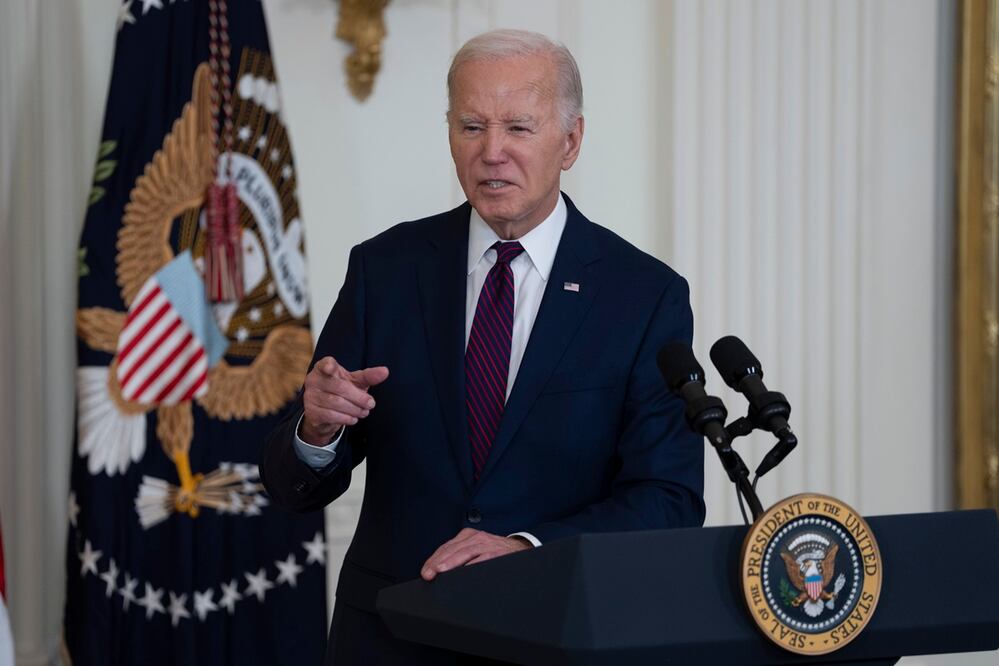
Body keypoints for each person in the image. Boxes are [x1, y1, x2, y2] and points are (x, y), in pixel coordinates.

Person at [260, 29, 705, 665]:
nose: (492, 152)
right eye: (472, 127)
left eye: (518, 128)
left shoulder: (642, 295)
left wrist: (527, 548)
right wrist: (317, 430)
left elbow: (668, 499)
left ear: (570, 141)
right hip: (392, 639)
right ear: (450, 135)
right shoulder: (386, 270)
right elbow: (292, 486)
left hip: (555, 635)